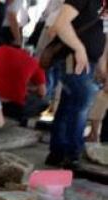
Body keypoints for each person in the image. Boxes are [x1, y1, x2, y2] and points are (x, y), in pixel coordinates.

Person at [45, 0, 104, 169]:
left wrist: (102, 67)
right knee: (81, 104)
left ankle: (57, 153)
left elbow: (104, 35)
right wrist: (80, 48)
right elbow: (61, 24)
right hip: (73, 58)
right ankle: (72, 154)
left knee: (69, 104)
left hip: (89, 63)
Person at [0, 43, 48, 124]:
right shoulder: (35, 62)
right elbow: (42, 92)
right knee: (44, 103)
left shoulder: (1, 50)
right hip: (14, 108)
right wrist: (27, 88)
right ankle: (22, 119)